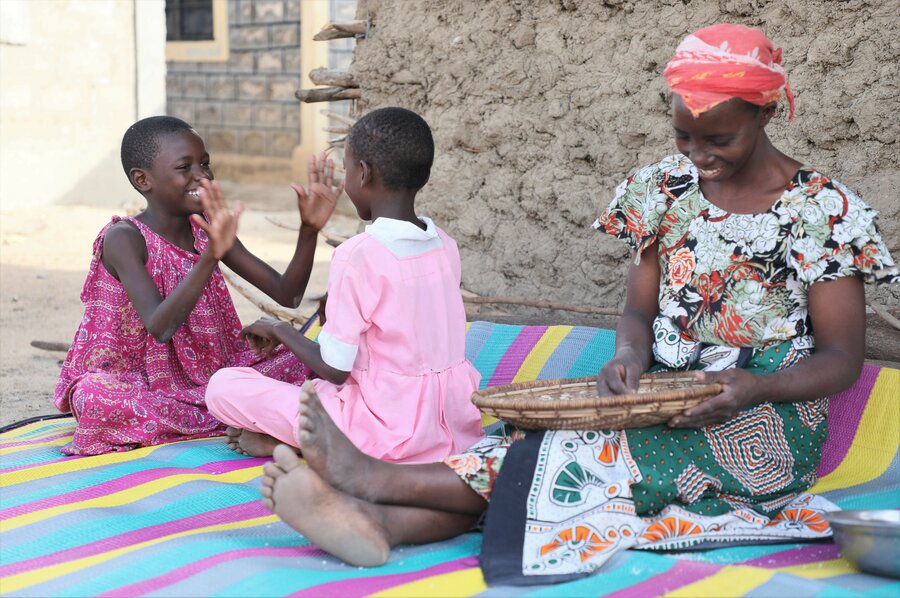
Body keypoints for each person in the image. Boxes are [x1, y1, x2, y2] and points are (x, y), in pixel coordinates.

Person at [254, 24, 899, 580]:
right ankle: (376, 525)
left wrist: (751, 390)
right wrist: (627, 355)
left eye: (719, 141)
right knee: (534, 444)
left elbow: (842, 357)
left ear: (765, 113)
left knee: (590, 460)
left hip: (760, 424)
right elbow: (639, 312)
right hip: (663, 398)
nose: (699, 157)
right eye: (683, 138)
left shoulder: (824, 211)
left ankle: (372, 480)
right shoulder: (663, 190)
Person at [204, 107, 485, 462]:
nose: (347, 179)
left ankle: (305, 444)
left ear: (364, 174)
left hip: (381, 430)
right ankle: (303, 441)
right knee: (312, 388)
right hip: (452, 425)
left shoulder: (360, 254)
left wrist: (279, 329)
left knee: (224, 387)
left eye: (348, 168)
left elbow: (335, 368)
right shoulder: (444, 243)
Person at [54, 116, 340, 455]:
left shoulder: (206, 230)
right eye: (184, 167)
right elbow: (160, 327)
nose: (202, 176)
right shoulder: (124, 238)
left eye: (205, 163)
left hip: (218, 375)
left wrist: (308, 230)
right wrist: (209, 257)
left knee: (308, 357)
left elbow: (287, 293)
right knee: (95, 400)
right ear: (143, 180)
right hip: (141, 383)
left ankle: (231, 411)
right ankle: (239, 414)